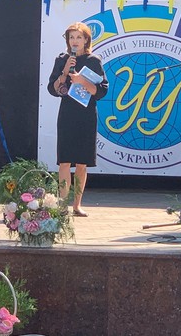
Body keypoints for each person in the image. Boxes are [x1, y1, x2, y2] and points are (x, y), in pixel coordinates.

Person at [47, 22, 109, 217]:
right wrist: (65, 72)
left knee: (82, 163)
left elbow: (101, 91)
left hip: (86, 114)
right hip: (67, 114)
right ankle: (62, 205)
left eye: (79, 37)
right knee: (64, 161)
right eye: (71, 37)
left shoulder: (94, 61)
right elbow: (53, 89)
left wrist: (82, 80)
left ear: (86, 40)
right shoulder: (62, 60)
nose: (75, 41)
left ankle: (77, 205)